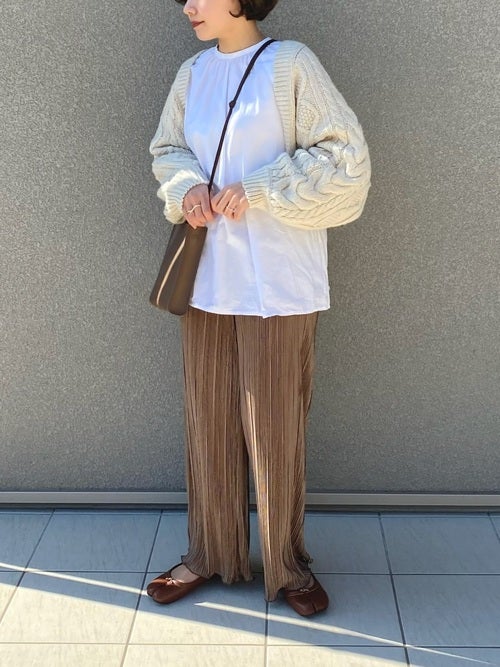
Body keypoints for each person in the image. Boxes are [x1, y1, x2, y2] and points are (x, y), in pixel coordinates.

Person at [146, 0, 371, 617]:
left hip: (278, 282)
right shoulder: (192, 74)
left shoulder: (290, 64)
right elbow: (167, 149)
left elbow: (345, 157)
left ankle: (287, 565)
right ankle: (210, 554)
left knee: (276, 428)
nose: (189, 6)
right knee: (208, 427)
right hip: (207, 281)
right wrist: (187, 187)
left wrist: (261, 188)